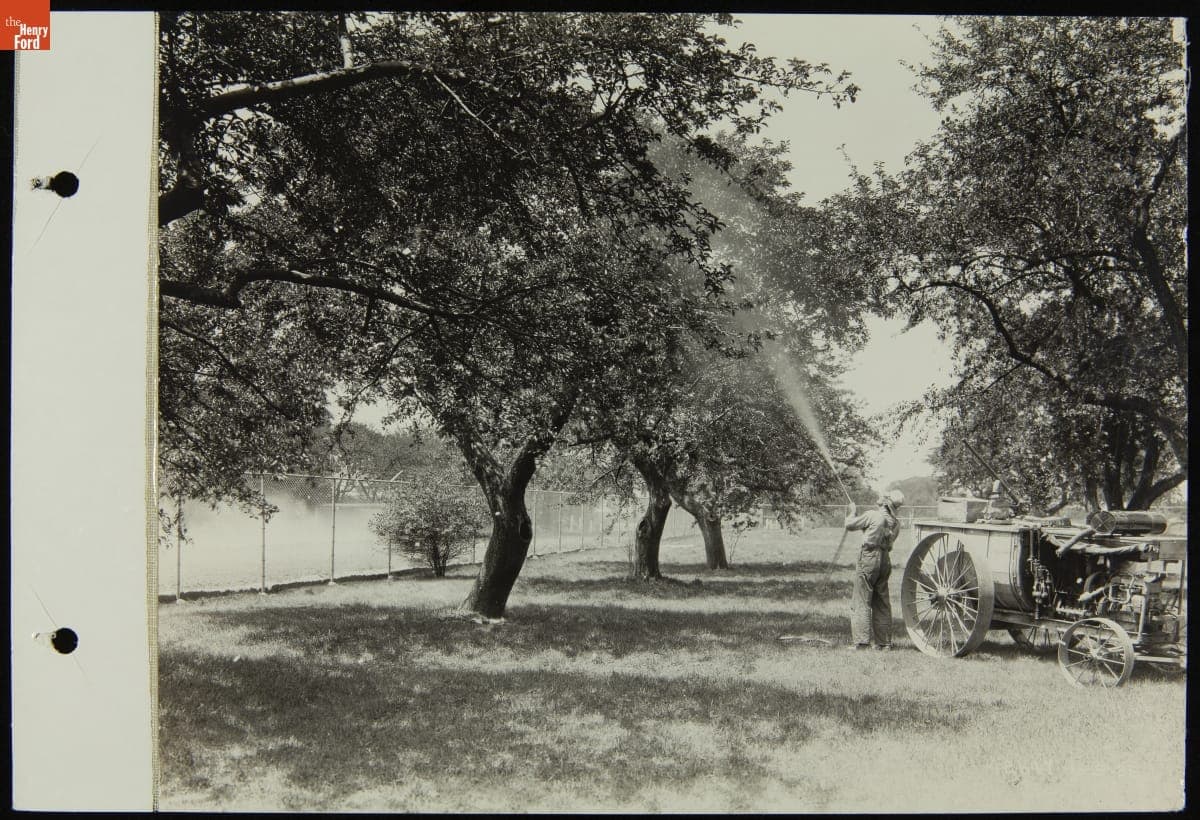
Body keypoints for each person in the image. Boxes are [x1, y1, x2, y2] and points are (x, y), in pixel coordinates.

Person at [843, 490, 904, 650]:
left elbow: (849, 525)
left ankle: (861, 642)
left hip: (869, 557)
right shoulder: (896, 523)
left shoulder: (872, 515)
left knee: (861, 599)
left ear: (885, 502)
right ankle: (884, 643)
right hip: (885, 560)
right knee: (882, 602)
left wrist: (852, 512)